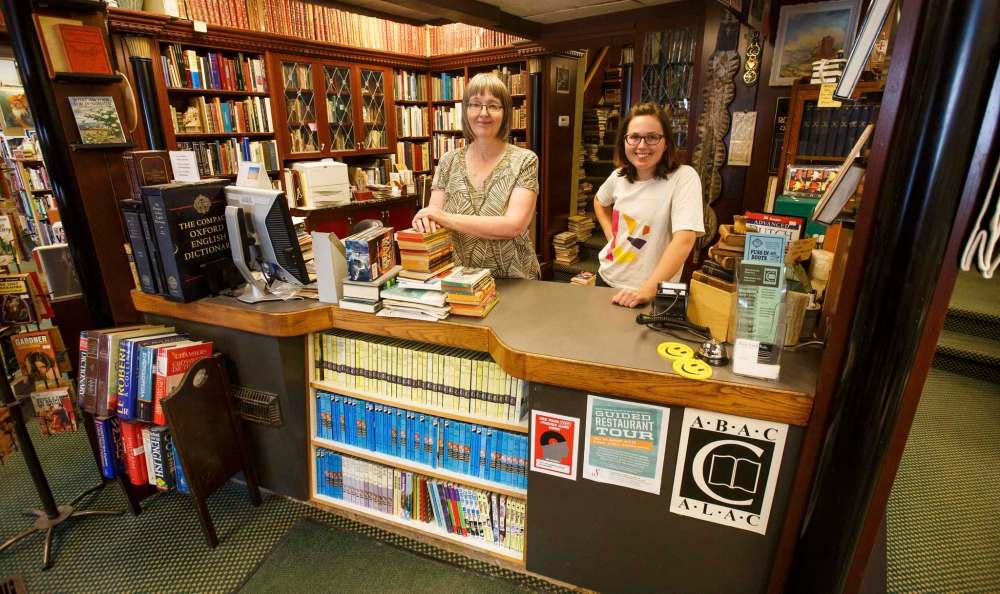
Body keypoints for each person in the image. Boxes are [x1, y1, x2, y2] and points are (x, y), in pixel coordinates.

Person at [412, 73, 541, 279]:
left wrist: (445, 218)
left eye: (493, 105)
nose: (483, 113)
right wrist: (424, 220)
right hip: (460, 280)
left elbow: (513, 226)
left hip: (514, 279)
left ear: (505, 113)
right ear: (466, 111)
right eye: (475, 104)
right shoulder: (448, 161)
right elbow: (433, 218)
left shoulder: (525, 161)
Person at [594, 102, 705, 308]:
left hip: (653, 291)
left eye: (652, 137)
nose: (642, 145)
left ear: (666, 143)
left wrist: (647, 290)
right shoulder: (618, 176)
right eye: (634, 137)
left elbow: (685, 239)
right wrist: (611, 236)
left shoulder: (683, 177)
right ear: (624, 141)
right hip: (608, 279)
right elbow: (600, 202)